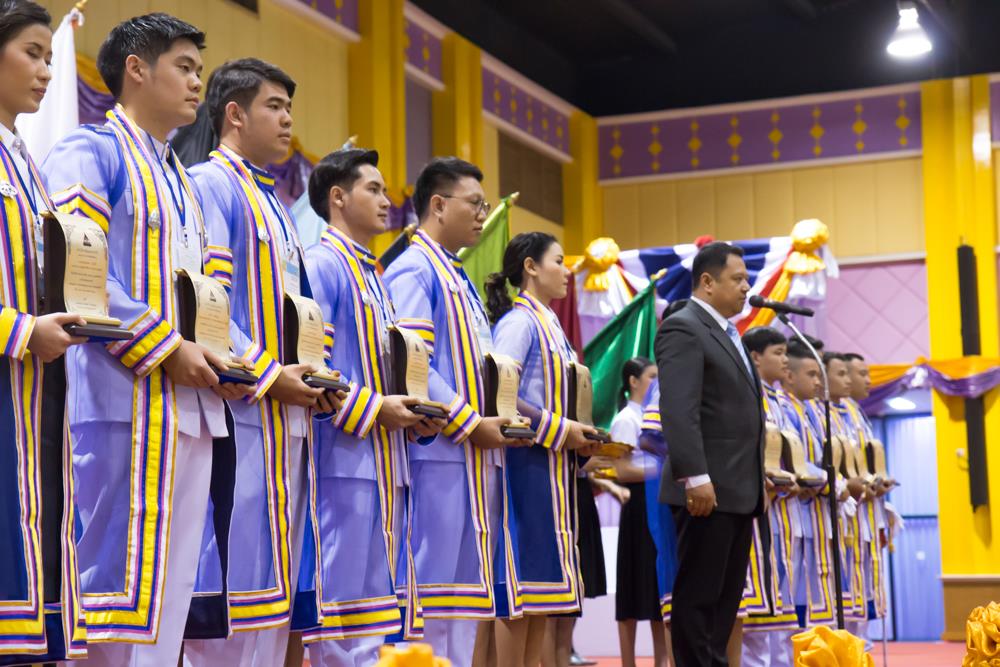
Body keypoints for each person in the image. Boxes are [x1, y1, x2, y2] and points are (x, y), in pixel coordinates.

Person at [43, 13, 252, 666]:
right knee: (108, 589)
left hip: (193, 406)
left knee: (171, 593)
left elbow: (212, 300)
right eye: (184, 67)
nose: (196, 83)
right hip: (118, 402)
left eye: (199, 71)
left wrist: (246, 363)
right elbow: (80, 273)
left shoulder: (184, 183)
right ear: (137, 68)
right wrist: (169, 346)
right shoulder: (90, 151)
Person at [182, 59, 342, 665]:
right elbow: (207, 304)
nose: (287, 120)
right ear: (235, 114)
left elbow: (301, 314)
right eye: (274, 106)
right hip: (239, 413)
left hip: (287, 419)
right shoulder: (211, 184)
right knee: (228, 603)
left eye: (289, 108)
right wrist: (272, 375)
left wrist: (319, 375)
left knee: (273, 607)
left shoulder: (275, 203)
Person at [300, 147, 444, 664]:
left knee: (375, 608)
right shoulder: (322, 264)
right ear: (338, 198)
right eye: (374, 189)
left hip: (383, 461)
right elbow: (311, 365)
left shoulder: (374, 278)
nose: (388, 201)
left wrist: (415, 412)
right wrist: (376, 409)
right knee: (339, 608)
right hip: (340, 460)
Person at [382, 157, 527, 666]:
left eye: (486, 206)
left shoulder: (457, 276)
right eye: (476, 204)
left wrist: (501, 416)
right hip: (438, 454)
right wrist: (470, 422)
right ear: (439, 205)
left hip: (473, 454)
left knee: (463, 601)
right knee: (428, 594)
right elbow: (414, 362)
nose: (483, 215)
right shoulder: (413, 269)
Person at [0, 1, 88, 662]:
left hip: (39, 392)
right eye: (32, 53)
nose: (47, 72)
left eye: (50, 57)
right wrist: (20, 329)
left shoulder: (27, 163)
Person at [485, 231, 599, 667]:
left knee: (541, 596)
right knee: (522, 589)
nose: (566, 271)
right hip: (524, 466)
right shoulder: (519, 323)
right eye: (559, 261)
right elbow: (501, 391)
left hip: (552, 467)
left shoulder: (550, 323)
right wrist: (561, 428)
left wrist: (580, 433)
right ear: (530, 267)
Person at [655, 241, 765, 667]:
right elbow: (679, 409)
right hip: (708, 489)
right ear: (707, 282)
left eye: (747, 279)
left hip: (738, 489)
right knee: (699, 599)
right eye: (737, 278)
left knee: (723, 603)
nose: (746, 287)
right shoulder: (684, 327)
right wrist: (695, 476)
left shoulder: (728, 332)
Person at [740, 328, 804, 667]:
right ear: (755, 357)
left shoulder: (782, 403)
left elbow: (799, 457)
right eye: (777, 353)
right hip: (754, 508)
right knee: (756, 609)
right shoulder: (745, 393)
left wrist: (800, 479)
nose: (785, 360)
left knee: (781, 605)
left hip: (784, 510)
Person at [611, 357, 671, 667]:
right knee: (633, 589)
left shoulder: (654, 415)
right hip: (637, 508)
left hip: (656, 503)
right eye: (651, 376)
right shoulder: (626, 419)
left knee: (657, 589)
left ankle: (661, 660)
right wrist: (664, 469)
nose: (657, 383)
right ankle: (628, 662)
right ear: (633, 381)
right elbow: (622, 470)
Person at [781, 343, 836, 630]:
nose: (818, 382)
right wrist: (832, 482)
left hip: (813, 510)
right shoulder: (782, 407)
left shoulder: (810, 411)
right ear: (789, 375)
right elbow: (796, 462)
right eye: (812, 374)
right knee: (788, 590)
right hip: (790, 507)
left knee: (810, 591)